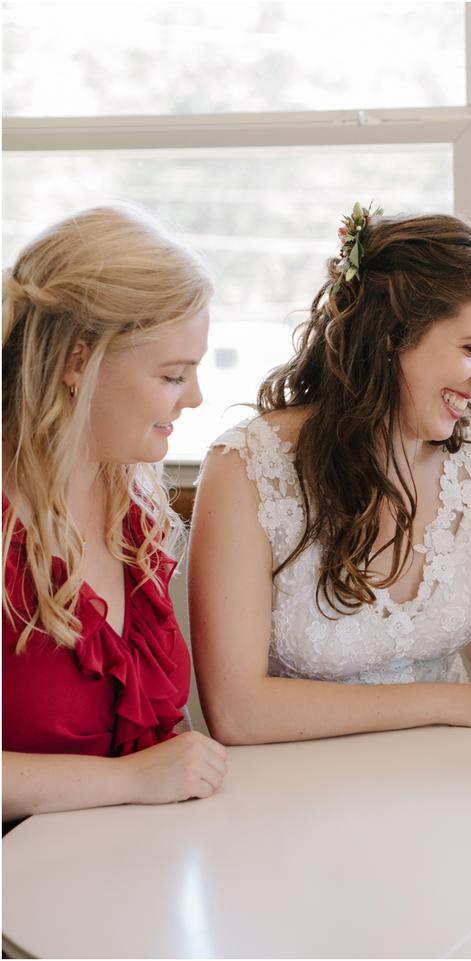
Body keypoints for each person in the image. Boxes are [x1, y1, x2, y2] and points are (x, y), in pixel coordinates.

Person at [189, 207, 471, 745]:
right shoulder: (249, 469)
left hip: (457, 774)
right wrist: (455, 703)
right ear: (392, 333)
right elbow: (236, 713)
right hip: (301, 787)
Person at [3, 205, 228, 823]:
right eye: (173, 374)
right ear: (79, 362)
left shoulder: (134, 510)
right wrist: (129, 780)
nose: (196, 397)